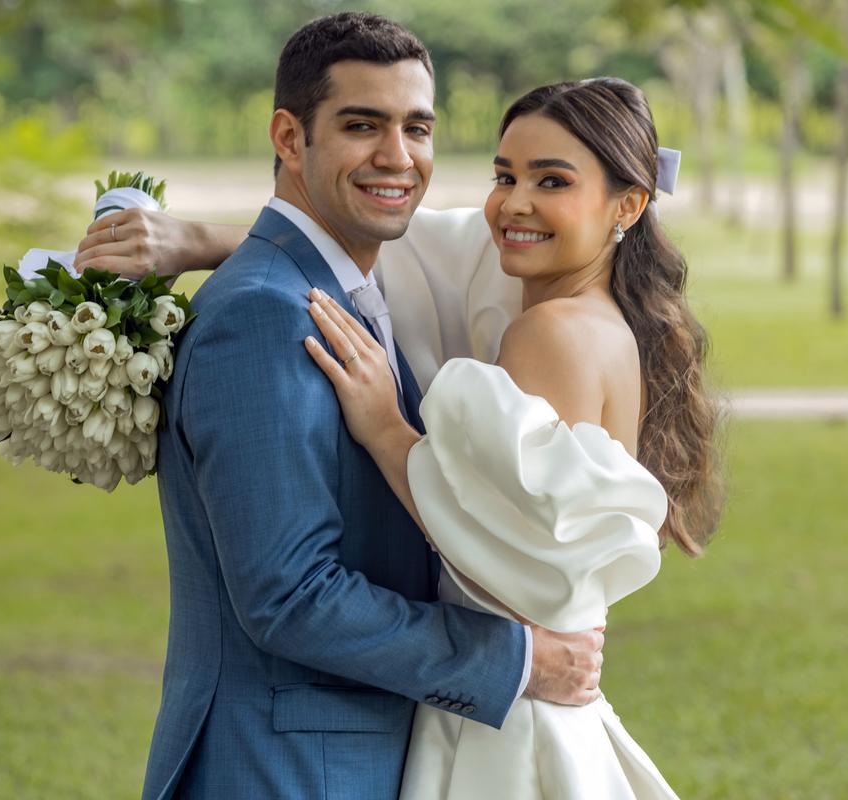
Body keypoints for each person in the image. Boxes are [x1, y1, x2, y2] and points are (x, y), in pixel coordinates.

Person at [127, 14, 606, 800]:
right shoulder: (264, 314)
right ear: (289, 137)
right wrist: (517, 659)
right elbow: (289, 596)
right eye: (362, 125)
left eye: (417, 127)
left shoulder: (357, 290)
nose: (398, 156)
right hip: (284, 770)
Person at [302, 78, 724, 798]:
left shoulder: (549, 333)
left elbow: (493, 544)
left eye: (551, 180)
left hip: (506, 725)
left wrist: (384, 428)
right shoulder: (606, 324)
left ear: (627, 204)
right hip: (548, 711)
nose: (514, 204)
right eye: (505, 176)